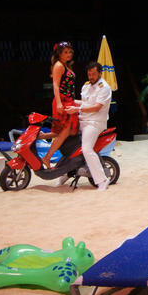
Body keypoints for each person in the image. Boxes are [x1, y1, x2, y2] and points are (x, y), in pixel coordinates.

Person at [64, 62, 112, 191]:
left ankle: (102, 180)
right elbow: (85, 103)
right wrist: (71, 102)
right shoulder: (86, 86)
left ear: (100, 73)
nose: (91, 76)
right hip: (82, 120)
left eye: (94, 74)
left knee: (86, 149)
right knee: (65, 141)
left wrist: (77, 108)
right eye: (89, 74)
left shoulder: (104, 88)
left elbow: (96, 107)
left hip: (94, 123)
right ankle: (65, 173)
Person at [41, 41, 78, 169]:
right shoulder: (59, 65)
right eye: (65, 52)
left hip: (69, 100)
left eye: (70, 52)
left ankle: (41, 136)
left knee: (66, 131)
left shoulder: (66, 65)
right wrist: (58, 103)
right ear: (59, 54)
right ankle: (47, 157)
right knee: (65, 130)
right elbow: (56, 85)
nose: (68, 54)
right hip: (62, 100)